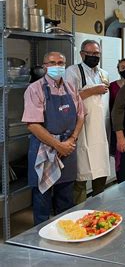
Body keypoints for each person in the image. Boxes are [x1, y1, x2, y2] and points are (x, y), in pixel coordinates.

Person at [22, 52, 84, 225]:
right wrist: (58, 145)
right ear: (44, 66)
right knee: (42, 200)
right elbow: (33, 125)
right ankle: (40, 241)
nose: (57, 66)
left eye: (60, 63)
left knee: (66, 198)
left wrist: (72, 139)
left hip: (68, 148)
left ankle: (66, 236)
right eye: (52, 63)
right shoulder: (35, 89)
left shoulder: (71, 87)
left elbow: (81, 115)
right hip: (44, 149)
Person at [65, 40, 110, 204]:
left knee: (101, 170)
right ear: (82, 54)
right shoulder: (73, 71)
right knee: (81, 172)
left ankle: (99, 206)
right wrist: (92, 91)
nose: (93, 56)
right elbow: (68, 98)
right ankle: (79, 210)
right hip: (81, 128)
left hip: (100, 129)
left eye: (96, 54)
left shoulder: (103, 74)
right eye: (90, 53)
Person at [109, 59, 125, 177]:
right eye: (123, 67)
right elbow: (110, 109)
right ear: (118, 70)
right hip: (119, 128)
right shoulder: (112, 87)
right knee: (121, 161)